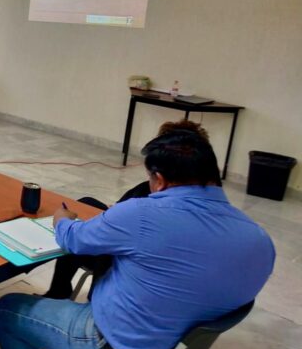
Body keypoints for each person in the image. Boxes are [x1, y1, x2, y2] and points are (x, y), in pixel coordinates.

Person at [0, 129, 275, 349]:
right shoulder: (260, 242)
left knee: (8, 309)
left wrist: (62, 219)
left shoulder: (142, 214)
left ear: (160, 180)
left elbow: (74, 241)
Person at [43, 119, 216, 300]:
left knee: (76, 229)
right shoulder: (211, 202)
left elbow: (79, 239)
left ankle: (61, 293)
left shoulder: (144, 206)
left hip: (119, 269)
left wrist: (62, 221)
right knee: (87, 203)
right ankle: (59, 290)